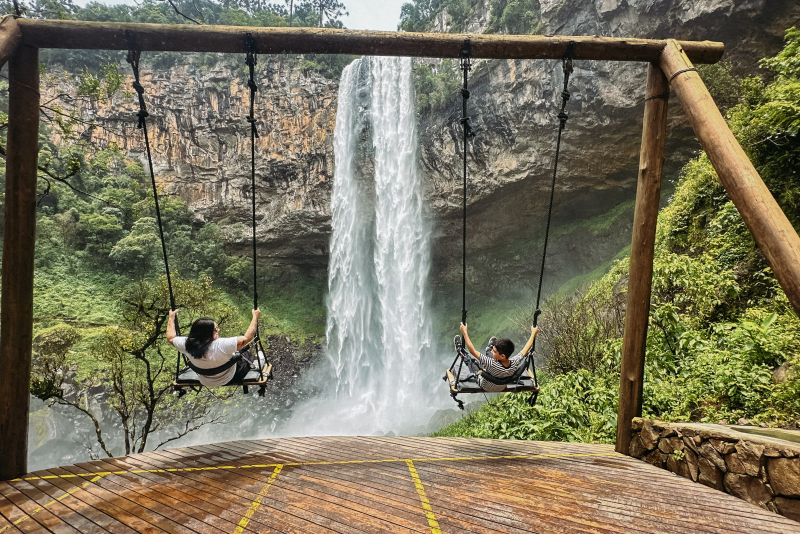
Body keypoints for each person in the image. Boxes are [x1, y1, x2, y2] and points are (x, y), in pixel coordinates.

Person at [167, 308, 261, 388]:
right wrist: (255, 317)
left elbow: (170, 338)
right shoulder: (222, 345)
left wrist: (171, 317)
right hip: (230, 377)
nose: (218, 330)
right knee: (243, 353)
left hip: (205, 380)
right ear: (207, 333)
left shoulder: (186, 344)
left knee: (236, 350)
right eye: (216, 329)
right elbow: (247, 338)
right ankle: (259, 358)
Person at [457, 322, 538, 392]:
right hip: (501, 387)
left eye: (494, 351)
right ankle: (489, 348)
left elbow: (472, 351)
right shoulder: (515, 362)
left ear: (502, 356)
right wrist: (533, 333)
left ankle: (461, 352)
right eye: (493, 349)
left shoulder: (490, 363)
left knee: (472, 363)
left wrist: (464, 332)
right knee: (491, 357)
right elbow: (526, 349)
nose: (493, 352)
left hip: (485, 386)